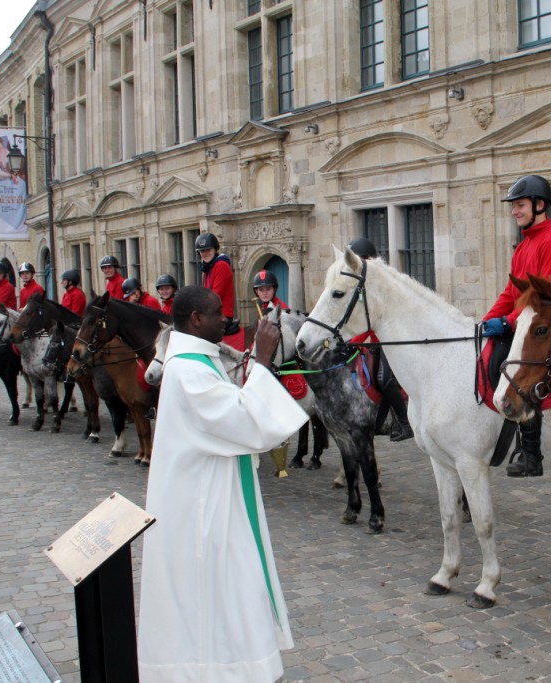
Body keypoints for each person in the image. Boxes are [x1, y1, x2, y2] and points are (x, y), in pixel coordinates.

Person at [137, 285, 308, 683]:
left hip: (214, 492)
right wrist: (263, 360)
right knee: (225, 587)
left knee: (232, 588)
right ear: (196, 319)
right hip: (203, 508)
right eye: (216, 313)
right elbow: (244, 420)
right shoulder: (188, 371)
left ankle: (238, 665)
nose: (225, 319)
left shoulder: (197, 361)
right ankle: (224, 669)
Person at [480, 175, 551, 477]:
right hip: (520, 324)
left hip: (543, 330)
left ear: (539, 205)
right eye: (514, 206)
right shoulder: (524, 245)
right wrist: (487, 321)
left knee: (523, 373)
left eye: (519, 205)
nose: (514, 212)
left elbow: (543, 305)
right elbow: (511, 292)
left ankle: (530, 453)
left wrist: (507, 323)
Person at [347, 237, 414, 442]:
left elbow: (374, 321)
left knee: (385, 380)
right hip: (376, 341)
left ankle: (405, 424)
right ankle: (380, 422)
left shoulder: (380, 284)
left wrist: (355, 341)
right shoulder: (363, 284)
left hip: (389, 340)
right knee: (377, 379)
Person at [195, 233, 240, 335]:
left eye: (208, 250)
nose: (205, 253)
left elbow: (215, 296)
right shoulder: (207, 268)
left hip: (222, 315)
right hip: (210, 313)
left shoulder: (221, 265)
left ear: (215, 249)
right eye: (202, 251)